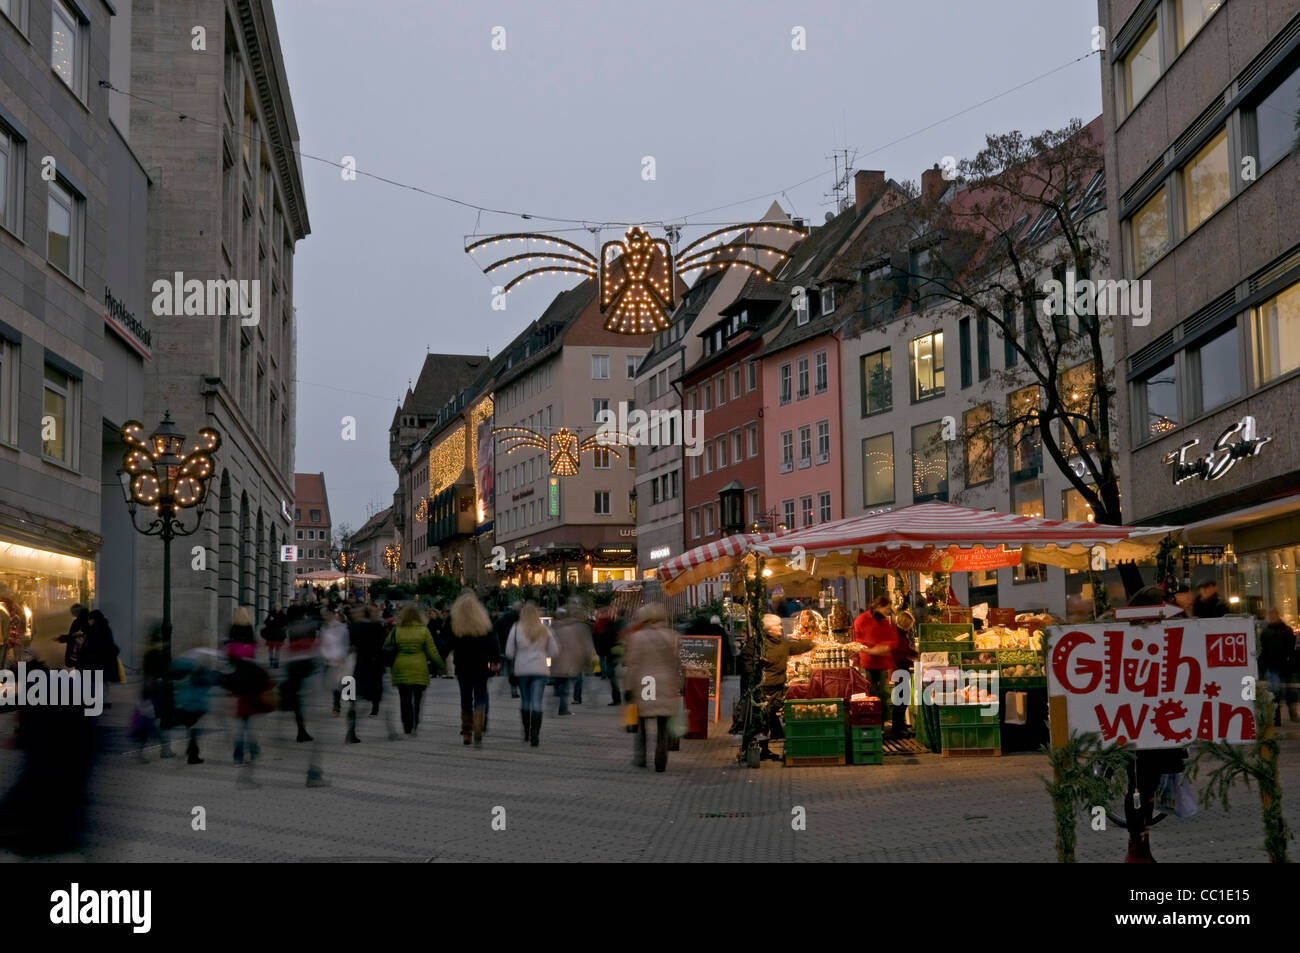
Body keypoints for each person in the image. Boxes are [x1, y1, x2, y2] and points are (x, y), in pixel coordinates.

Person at [1121, 586, 1189, 862]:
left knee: (1144, 787)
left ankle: (1140, 846)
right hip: (1141, 727)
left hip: (1155, 725)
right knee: (1140, 787)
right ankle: (1137, 848)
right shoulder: (1132, 639)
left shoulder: (1153, 635)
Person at [744, 613, 815, 762]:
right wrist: (754, 673)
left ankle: (764, 749)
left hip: (777, 687)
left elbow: (795, 646)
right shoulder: (758, 643)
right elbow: (746, 659)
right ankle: (750, 750)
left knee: (768, 719)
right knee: (760, 720)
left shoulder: (781, 642)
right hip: (762, 688)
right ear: (769, 629)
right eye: (777, 625)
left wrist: (813, 644)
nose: (780, 627)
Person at [621, 603, 681, 772]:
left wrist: (628, 687)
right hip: (666, 684)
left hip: (646, 685)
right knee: (663, 725)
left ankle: (641, 757)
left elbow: (632, 664)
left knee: (641, 722)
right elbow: (677, 664)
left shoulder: (637, 638)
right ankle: (660, 759)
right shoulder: (672, 636)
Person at [449, 589, 499, 746]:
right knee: (480, 695)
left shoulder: (455, 621)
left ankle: (467, 731)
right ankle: (479, 722)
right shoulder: (483, 620)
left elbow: (448, 641)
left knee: (465, 697)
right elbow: (493, 642)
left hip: (462, 665)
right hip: (480, 664)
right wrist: (495, 660)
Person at [505, 602, 558, 747]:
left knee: (525, 701)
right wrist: (542, 653)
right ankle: (536, 734)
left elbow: (509, 652)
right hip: (540, 669)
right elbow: (554, 651)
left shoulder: (516, 629)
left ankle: (526, 732)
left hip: (522, 669)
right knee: (537, 702)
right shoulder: (544, 629)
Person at [387, 605, 443, 736]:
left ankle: (406, 725)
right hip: (419, 668)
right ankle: (415, 723)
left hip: (400, 667)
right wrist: (440, 664)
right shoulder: (424, 631)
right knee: (417, 698)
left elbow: (387, 646)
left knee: (404, 699)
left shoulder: (396, 630)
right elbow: (432, 651)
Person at [854, 596, 899, 723]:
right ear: (879, 607)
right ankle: (873, 719)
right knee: (872, 691)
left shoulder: (886, 621)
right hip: (868, 661)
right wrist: (871, 649)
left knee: (882, 693)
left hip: (883, 662)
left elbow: (894, 639)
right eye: (887, 609)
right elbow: (857, 639)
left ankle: (881, 721)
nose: (888, 612)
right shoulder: (862, 619)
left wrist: (885, 647)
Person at [551, 603, 595, 716]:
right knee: (567, 684)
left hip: (557, 662)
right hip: (569, 662)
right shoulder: (573, 628)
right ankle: (564, 707)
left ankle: (561, 702)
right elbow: (579, 646)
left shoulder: (554, 628)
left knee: (561, 684)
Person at [348, 603, 387, 721]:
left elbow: (353, 643)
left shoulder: (360, 627)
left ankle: (361, 705)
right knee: (373, 684)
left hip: (367, 661)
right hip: (370, 661)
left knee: (367, 684)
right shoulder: (372, 626)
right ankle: (370, 706)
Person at [1259, 608, 1298, 726]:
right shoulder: (1272, 632)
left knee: (1282, 691)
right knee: (1277, 691)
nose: (1272, 617)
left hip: (1280, 665)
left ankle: (1280, 716)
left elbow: (1291, 649)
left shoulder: (1281, 631)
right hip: (1275, 665)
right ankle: (1279, 717)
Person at [78, 610, 121, 707]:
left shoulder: (95, 629)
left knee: (96, 680)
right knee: (103, 682)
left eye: (90, 619)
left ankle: (98, 700)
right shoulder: (105, 627)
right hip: (105, 659)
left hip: (97, 660)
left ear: (93, 619)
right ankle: (105, 700)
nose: (89, 621)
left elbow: (93, 645)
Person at [318, 609, 351, 720]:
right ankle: (338, 703)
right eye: (324, 616)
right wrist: (324, 654)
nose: (325, 617)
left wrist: (341, 656)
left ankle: (337, 706)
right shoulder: (324, 628)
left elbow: (345, 643)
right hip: (329, 660)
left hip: (339, 660)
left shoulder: (341, 628)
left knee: (338, 684)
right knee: (334, 684)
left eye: (327, 615)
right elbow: (323, 644)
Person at [890, 609, 918, 739]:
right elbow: (900, 654)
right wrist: (913, 657)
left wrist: (915, 654)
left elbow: (905, 650)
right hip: (900, 669)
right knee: (901, 699)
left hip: (901, 668)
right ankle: (898, 728)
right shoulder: (898, 635)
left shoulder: (900, 634)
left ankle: (900, 724)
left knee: (903, 698)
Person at [592, 606, 624, 705]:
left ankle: (617, 697)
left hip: (611, 651)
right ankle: (617, 697)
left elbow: (602, 635)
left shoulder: (610, 623)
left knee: (612, 674)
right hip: (612, 651)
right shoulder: (613, 622)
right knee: (612, 674)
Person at [494, 600, 522, 698]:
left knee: (509, 668)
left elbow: (494, 628)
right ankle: (514, 688)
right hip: (518, 647)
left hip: (504, 646)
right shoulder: (520, 619)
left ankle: (507, 687)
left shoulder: (503, 618)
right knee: (515, 669)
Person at [57, 605, 89, 669]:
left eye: (73, 612)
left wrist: (63, 638)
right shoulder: (87, 621)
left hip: (78, 655)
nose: (72, 614)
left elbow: (74, 637)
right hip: (85, 656)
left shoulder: (77, 622)